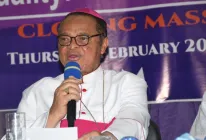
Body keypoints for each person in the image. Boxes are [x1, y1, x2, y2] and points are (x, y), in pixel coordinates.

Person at [13, 8, 150, 140]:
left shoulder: (127, 83)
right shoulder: (37, 91)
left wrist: (104, 138)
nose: (72, 46)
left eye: (83, 38)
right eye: (65, 39)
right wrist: (52, 115)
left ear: (103, 45)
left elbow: (134, 121)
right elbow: (13, 137)